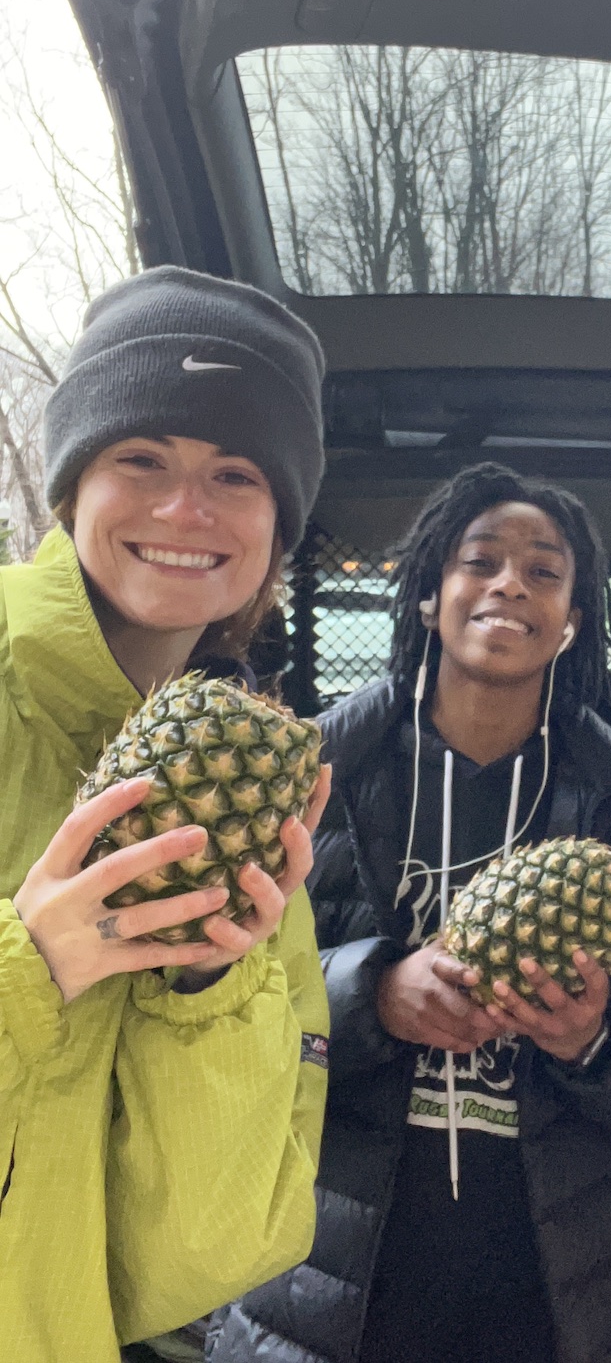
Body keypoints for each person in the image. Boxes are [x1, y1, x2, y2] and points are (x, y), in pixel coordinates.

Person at [207, 462, 611, 1363]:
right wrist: (370, 993)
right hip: (332, 1277)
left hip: (555, 1287)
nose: (512, 583)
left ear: (571, 624)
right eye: (483, 562)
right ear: (431, 595)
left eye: (545, 573)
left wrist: (594, 1037)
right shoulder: (308, 774)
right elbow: (213, 1013)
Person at [0, 266, 332, 1363]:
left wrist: (207, 991)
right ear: (70, 485)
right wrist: (28, 966)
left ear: (276, 528)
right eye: (141, 457)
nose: (187, 509)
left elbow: (207, 1252)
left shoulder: (249, 785)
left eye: (237, 473)